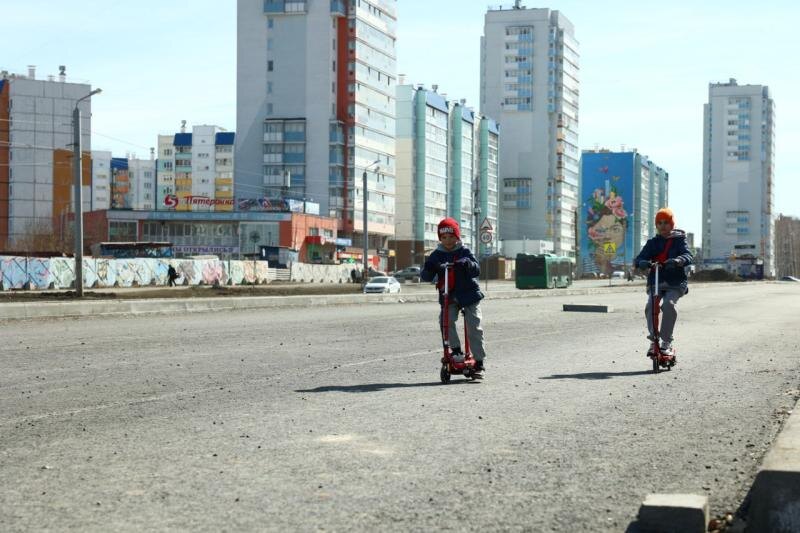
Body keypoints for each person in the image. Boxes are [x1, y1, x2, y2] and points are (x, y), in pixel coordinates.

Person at [421, 217, 487, 375]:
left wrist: (468, 264)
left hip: (469, 294)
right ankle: (456, 351)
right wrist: (429, 268)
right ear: (440, 238)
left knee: (474, 326)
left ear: (457, 237)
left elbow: (476, 270)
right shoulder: (436, 255)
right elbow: (426, 277)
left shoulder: (464, 251)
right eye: (444, 237)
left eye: (451, 237)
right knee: (445, 321)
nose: (448, 241)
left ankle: (479, 362)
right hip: (449, 295)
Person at [635, 208, 693, 357]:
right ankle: (653, 340)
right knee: (650, 307)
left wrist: (679, 260)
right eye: (659, 223)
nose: (662, 226)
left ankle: (666, 342)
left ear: (672, 224)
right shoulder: (652, 243)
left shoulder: (679, 240)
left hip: (675, 282)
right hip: (656, 282)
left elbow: (688, 255)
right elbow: (640, 258)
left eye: (666, 222)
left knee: (668, 305)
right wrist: (642, 262)